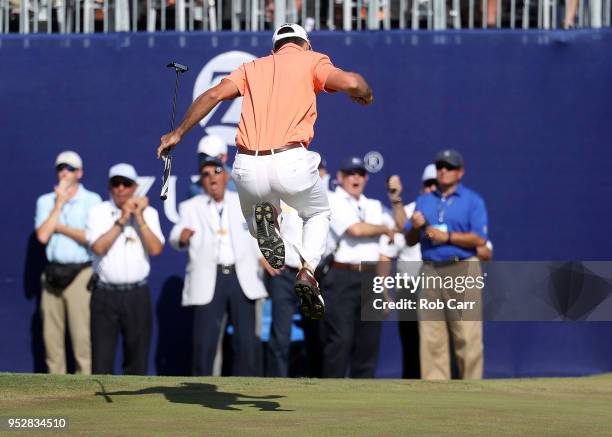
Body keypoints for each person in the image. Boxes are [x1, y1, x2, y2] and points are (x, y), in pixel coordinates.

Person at [157, 22, 374, 319]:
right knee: (318, 213)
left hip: (246, 164)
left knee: (257, 213)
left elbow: (211, 96)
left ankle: (269, 223)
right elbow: (352, 82)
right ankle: (308, 269)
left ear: (274, 48)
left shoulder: (253, 67)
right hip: (290, 160)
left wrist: (178, 133)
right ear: (305, 44)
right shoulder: (313, 60)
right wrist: (364, 94)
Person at [170, 157, 269, 376]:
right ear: (202, 182)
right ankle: (200, 389)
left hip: (239, 277)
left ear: (226, 175)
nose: (212, 177)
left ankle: (247, 389)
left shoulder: (243, 202)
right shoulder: (191, 207)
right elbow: (176, 236)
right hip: (210, 277)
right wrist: (182, 237)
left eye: (216, 171)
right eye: (205, 174)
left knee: (246, 341)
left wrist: (264, 257)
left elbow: (256, 237)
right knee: (205, 341)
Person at [403, 149, 488, 380]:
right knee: (432, 336)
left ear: (460, 172)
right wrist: (415, 224)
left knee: (467, 336)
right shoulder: (424, 199)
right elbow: (409, 239)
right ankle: (436, 397)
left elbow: (479, 238)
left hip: (462, 267)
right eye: (440, 166)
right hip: (430, 269)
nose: (443, 171)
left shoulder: (472, 201)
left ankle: (473, 392)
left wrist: (448, 237)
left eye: (449, 167)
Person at [320, 156, 396, 378]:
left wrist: (396, 198)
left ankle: (364, 401)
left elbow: (395, 234)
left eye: (360, 174)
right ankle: (330, 395)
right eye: (350, 173)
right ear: (339, 178)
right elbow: (355, 230)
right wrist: (383, 228)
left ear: (366, 178)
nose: (356, 178)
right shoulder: (331, 200)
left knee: (368, 342)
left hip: (370, 277)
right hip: (341, 275)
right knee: (340, 339)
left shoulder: (374, 206)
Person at [86, 163, 165, 375]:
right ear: (110, 187)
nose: (121, 188)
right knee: (101, 360)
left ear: (135, 187)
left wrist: (138, 218)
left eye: (126, 184)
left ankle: (133, 407)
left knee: (137, 360)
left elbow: (156, 248)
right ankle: (100, 407)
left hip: (137, 295)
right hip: (104, 294)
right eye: (116, 183)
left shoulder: (150, 214)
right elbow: (98, 247)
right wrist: (121, 221)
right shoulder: (98, 212)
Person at [34, 151, 102, 374]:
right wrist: (59, 203)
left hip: (80, 276)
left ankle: (84, 398)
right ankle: (56, 397)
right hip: (52, 274)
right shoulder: (46, 201)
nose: (64, 172)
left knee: (82, 340)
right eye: (61, 168)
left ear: (79, 173)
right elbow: (43, 236)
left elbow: (92, 238)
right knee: (52, 342)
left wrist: (60, 228)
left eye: (70, 168)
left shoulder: (92, 201)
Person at [377, 163, 437, 379]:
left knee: (440, 347)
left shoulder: (451, 212)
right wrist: (384, 292)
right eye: (429, 184)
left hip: (440, 289)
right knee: (412, 346)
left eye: (436, 185)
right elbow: (387, 253)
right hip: (410, 290)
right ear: (422, 187)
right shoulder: (407, 212)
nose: (432, 189)